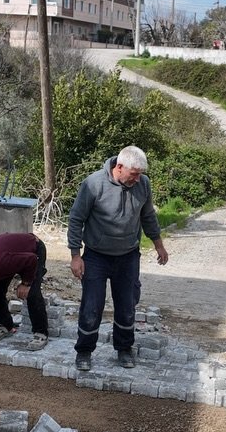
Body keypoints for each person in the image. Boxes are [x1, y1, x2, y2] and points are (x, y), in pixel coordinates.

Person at [68, 145, 168, 371]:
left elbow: (148, 215)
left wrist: (158, 244)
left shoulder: (143, 184)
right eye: (134, 175)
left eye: (140, 174)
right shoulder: (93, 184)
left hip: (128, 256)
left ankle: (124, 349)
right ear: (119, 167)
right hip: (96, 257)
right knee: (92, 306)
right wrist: (76, 255)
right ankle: (84, 351)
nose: (137, 179)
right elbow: (76, 219)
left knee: (126, 306)